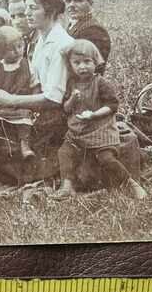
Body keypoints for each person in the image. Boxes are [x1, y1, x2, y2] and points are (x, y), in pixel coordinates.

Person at [0, 0, 73, 153]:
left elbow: (53, 99)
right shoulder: (42, 39)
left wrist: (10, 100)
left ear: (51, 11)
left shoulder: (62, 44)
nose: (27, 13)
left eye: (33, 8)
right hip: (33, 107)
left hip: (53, 117)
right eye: (27, 8)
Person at [57, 40, 146, 200]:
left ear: (95, 62)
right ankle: (67, 185)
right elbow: (66, 109)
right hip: (77, 132)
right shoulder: (71, 84)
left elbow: (112, 105)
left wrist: (94, 114)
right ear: (70, 64)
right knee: (64, 152)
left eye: (87, 62)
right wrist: (72, 99)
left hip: (101, 131)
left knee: (106, 159)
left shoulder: (100, 83)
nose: (82, 67)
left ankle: (131, 183)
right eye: (77, 63)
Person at [0, 26, 39, 165]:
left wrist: (33, 103)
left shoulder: (27, 66)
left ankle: (25, 144)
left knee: (25, 120)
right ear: (0, 53)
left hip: (20, 104)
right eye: (11, 49)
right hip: (0, 105)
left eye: (20, 46)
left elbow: (35, 84)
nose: (17, 51)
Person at [63, 0, 111, 64]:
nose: (71, 5)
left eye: (78, 0)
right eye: (68, 1)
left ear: (90, 3)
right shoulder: (73, 24)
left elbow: (92, 67)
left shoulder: (94, 30)